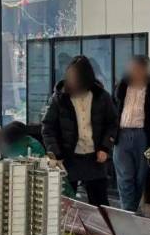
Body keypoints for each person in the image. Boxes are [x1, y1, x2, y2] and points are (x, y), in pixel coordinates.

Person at [42, 55, 118, 207]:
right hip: (68, 159)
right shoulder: (59, 98)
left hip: (95, 159)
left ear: (85, 78)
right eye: (69, 77)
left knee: (100, 205)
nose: (71, 82)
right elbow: (47, 128)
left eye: (75, 78)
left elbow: (113, 123)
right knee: (64, 205)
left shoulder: (102, 97)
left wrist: (105, 147)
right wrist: (55, 154)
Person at [113, 55, 150, 212]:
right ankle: (128, 213)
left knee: (140, 177)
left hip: (144, 138)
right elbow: (112, 112)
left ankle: (131, 211)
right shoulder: (121, 87)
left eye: (138, 68)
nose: (134, 71)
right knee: (125, 177)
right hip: (121, 137)